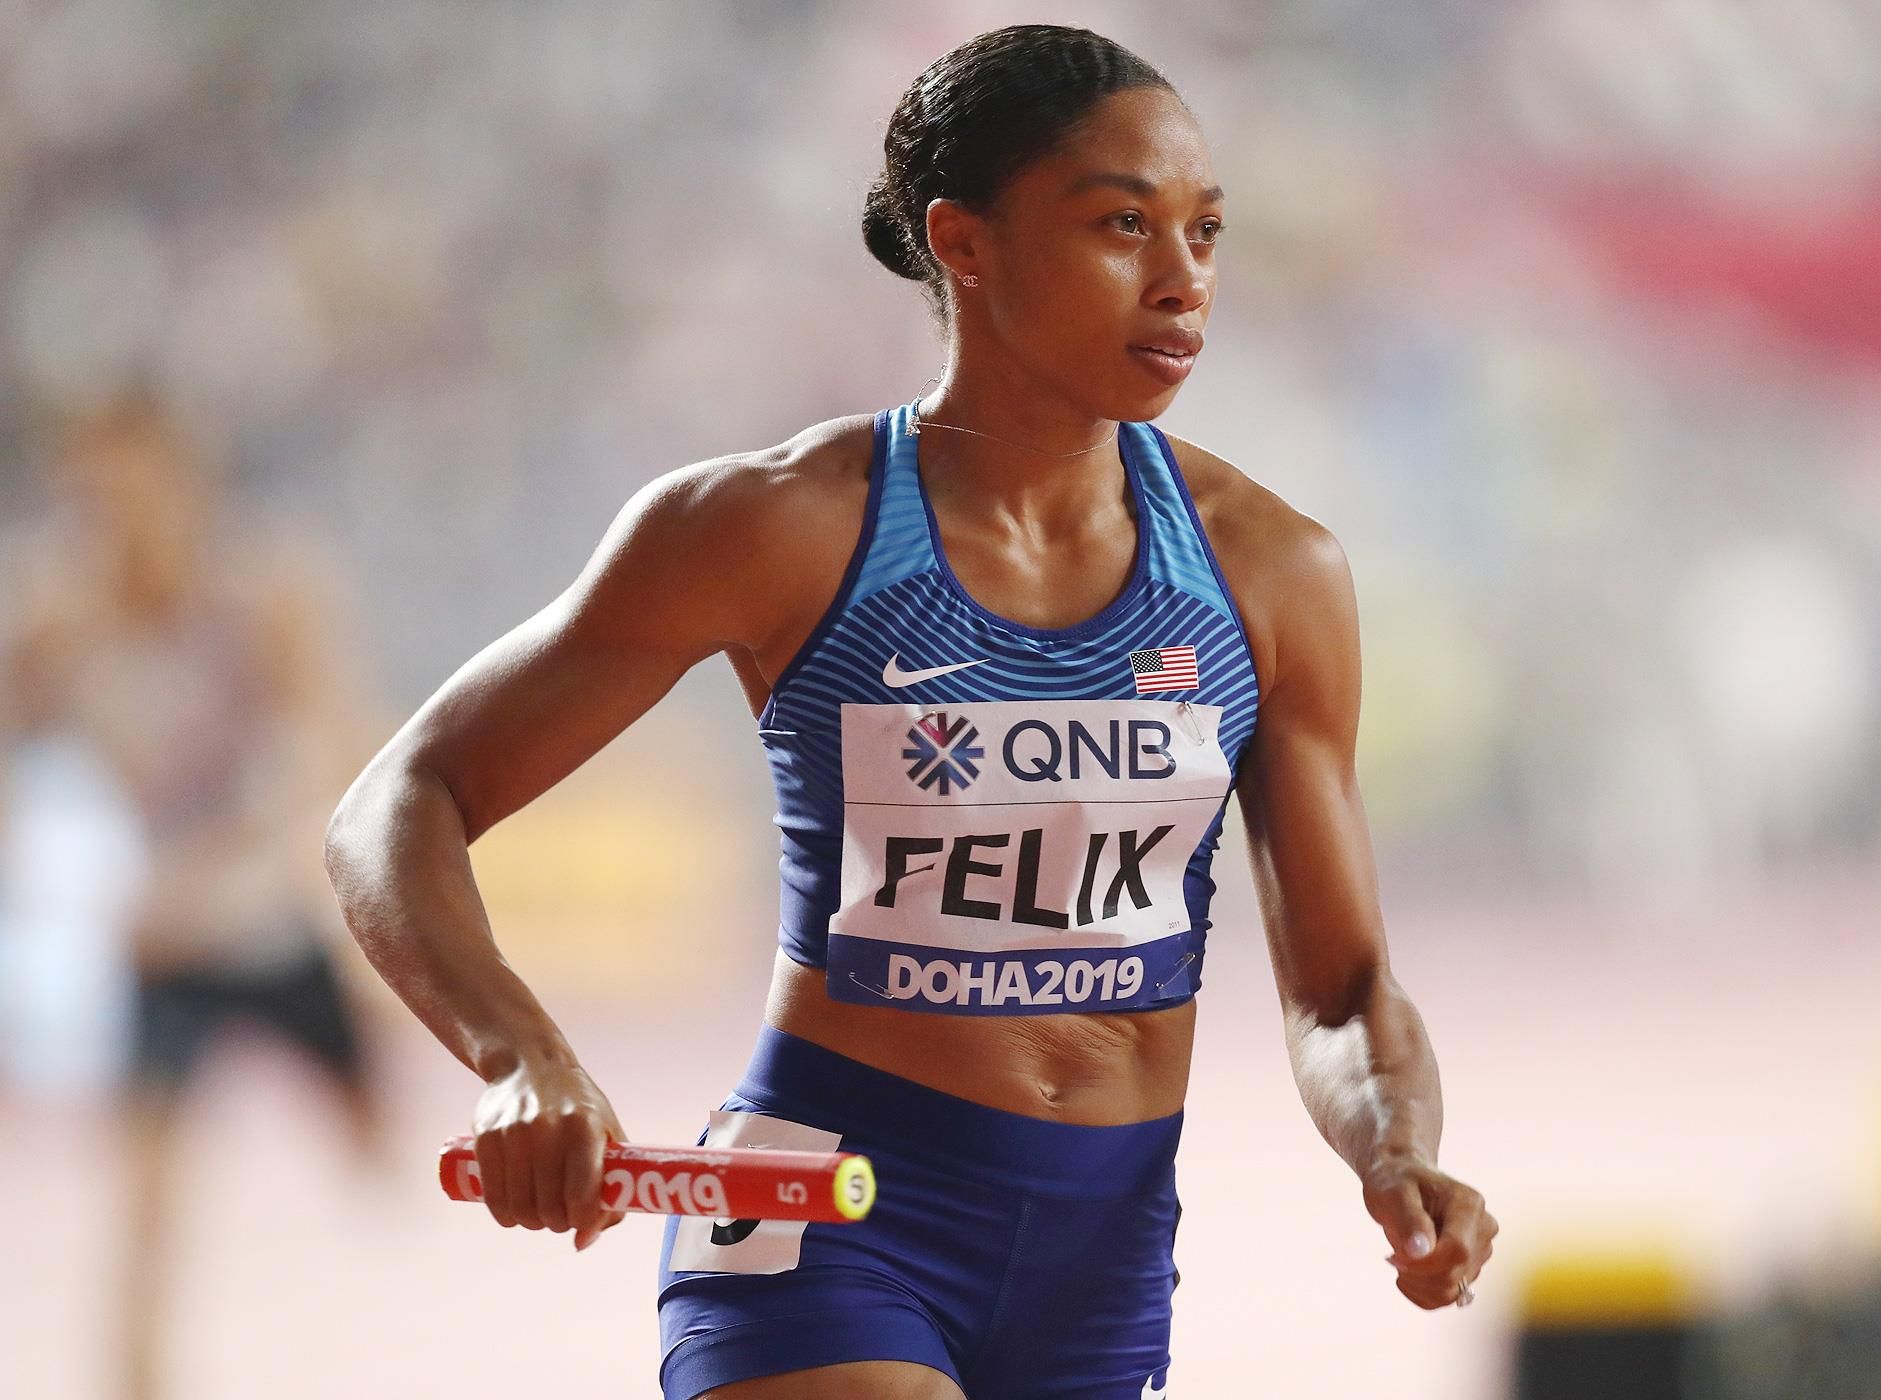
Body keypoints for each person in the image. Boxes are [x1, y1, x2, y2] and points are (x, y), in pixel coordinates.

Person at [323, 23, 1496, 1400]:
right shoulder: (777, 528)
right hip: (823, 1216)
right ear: (965, 242)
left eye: (1207, 230)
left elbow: (1346, 992)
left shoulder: (1271, 572)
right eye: (1124, 223)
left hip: (1105, 1252)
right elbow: (395, 804)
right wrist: (523, 1057)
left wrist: (1396, 1147)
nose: (1184, 281)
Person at [0, 384, 382, 1400]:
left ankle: (420, 1288)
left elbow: (344, 748)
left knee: (377, 1131)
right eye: (92, 498)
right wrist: (60, 882)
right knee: (145, 1202)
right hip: (159, 943)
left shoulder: (262, 592)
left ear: (187, 486)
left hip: (267, 920)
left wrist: (251, 855)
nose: (119, 523)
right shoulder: (53, 618)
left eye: (137, 492)